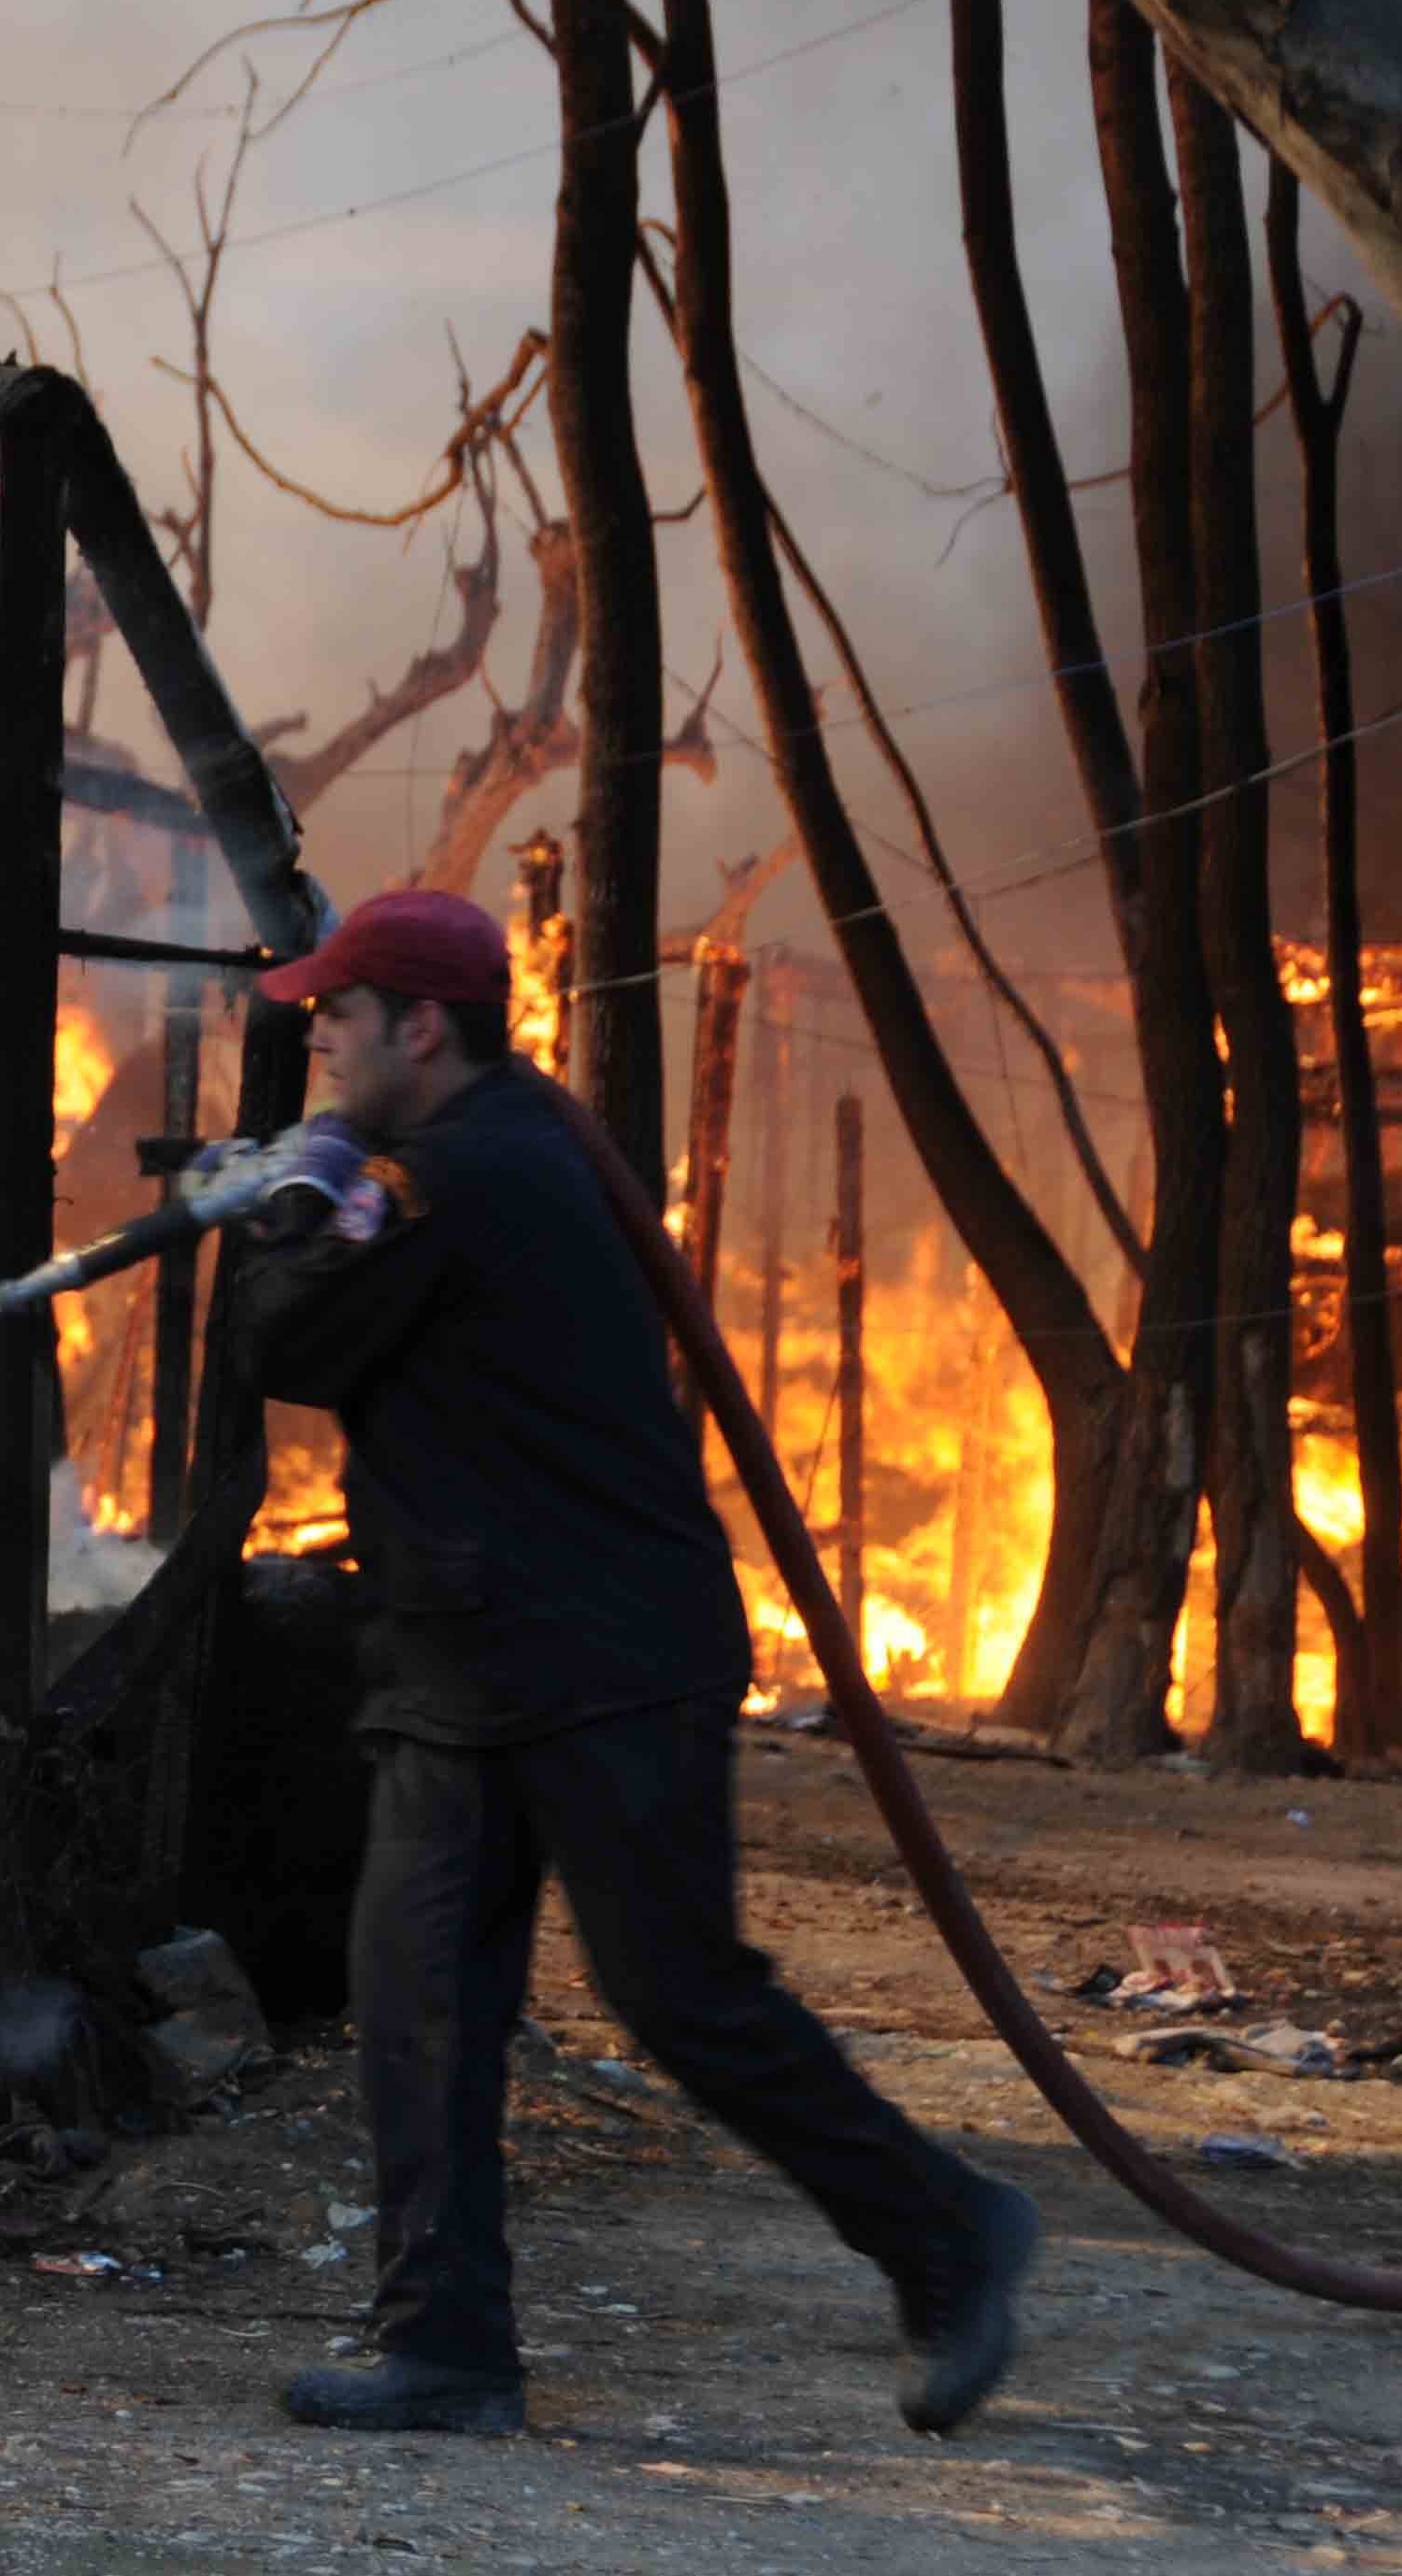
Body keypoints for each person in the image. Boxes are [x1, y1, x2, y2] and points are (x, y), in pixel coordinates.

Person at [229, 888, 1037, 2441]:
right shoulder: (489, 1146)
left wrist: (293, 1195)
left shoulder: (457, 1175)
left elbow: (281, 1347)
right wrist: (315, 1182)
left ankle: (951, 2234)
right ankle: (448, 2349)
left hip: (600, 1655)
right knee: (416, 1999)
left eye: (341, 1012)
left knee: (682, 1996)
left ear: (423, 1025)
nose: (315, 1033)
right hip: (469, 1658)